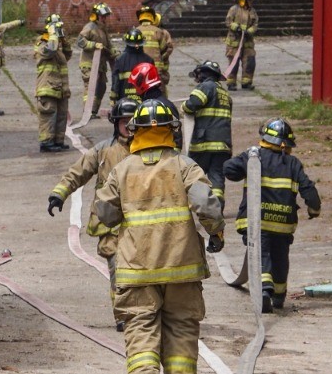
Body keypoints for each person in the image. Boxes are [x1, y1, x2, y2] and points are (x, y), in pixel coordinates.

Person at [95, 99, 225, 374]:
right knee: (181, 330)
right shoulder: (185, 165)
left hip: (137, 270)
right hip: (182, 269)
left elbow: (105, 212)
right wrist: (216, 233)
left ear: (135, 131)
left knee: (140, 330)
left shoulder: (122, 169)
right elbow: (206, 203)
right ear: (172, 129)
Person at [47, 97, 138, 331]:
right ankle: (124, 316)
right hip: (110, 225)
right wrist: (59, 194)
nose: (129, 127)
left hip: (141, 225)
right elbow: (78, 172)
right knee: (119, 270)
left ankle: (144, 313)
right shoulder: (103, 150)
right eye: (124, 122)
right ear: (116, 123)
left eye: (134, 122)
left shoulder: (149, 152)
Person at [224, 117, 320, 312]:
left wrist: (246, 160)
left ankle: (265, 290)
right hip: (283, 224)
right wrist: (314, 209)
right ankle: (279, 295)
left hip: (256, 221)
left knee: (261, 253)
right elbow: (308, 188)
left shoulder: (254, 157)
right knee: (280, 258)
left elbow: (228, 170)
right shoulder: (293, 163)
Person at [182, 60, 232, 208]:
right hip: (223, 144)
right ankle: (216, 205)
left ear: (203, 74)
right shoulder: (225, 94)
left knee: (194, 174)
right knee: (217, 176)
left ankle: (193, 205)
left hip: (203, 143)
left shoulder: (205, 87)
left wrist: (183, 106)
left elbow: (192, 105)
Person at [34, 18, 72, 153]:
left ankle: (58, 141)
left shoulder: (58, 47)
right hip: (47, 88)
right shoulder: (42, 44)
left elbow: (68, 54)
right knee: (48, 116)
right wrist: (53, 35)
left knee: (61, 116)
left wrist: (64, 39)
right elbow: (50, 51)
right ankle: (46, 143)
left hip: (60, 89)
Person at [76, 2, 117, 118]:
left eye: (106, 16)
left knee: (102, 87)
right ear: (96, 16)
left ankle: (93, 111)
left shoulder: (103, 29)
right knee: (90, 87)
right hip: (89, 63)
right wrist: (93, 45)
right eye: (103, 16)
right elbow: (80, 41)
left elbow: (109, 46)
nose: (105, 18)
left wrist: (115, 53)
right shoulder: (89, 27)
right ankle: (87, 111)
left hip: (100, 65)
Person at [129, 61, 182, 150]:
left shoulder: (162, 107)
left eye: (135, 85)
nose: (135, 89)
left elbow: (176, 138)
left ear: (141, 82)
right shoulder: (167, 105)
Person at [224, 0, 259, 91]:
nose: (252, 2)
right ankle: (231, 83)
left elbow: (255, 24)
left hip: (247, 42)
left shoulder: (252, 11)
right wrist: (236, 28)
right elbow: (228, 22)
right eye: (250, 0)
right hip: (234, 42)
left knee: (250, 63)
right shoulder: (234, 9)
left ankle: (246, 82)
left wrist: (250, 31)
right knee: (233, 64)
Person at [135, 5, 174, 94]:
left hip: (139, 68)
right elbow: (165, 49)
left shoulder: (135, 31)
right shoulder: (158, 31)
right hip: (156, 68)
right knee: (159, 92)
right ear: (152, 17)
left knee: (141, 90)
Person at [110, 28, 153, 104]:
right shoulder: (149, 60)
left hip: (123, 101)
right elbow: (153, 84)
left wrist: (113, 98)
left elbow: (115, 81)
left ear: (127, 42)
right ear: (142, 43)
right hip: (144, 102)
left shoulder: (119, 60)